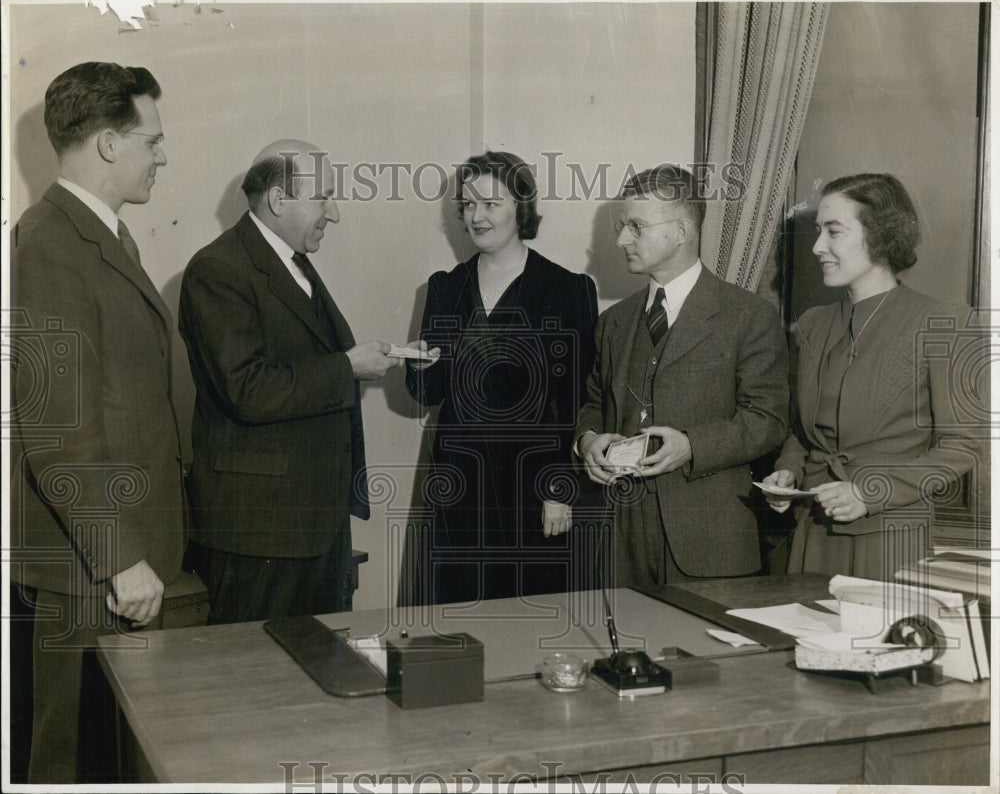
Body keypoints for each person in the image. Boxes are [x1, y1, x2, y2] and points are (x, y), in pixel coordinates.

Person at [9, 61, 184, 783]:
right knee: (77, 764)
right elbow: (58, 428)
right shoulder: (52, 242)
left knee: (113, 758)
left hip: (111, 561)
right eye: (152, 140)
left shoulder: (98, 235)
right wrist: (118, 556)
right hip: (92, 572)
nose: (162, 156)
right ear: (110, 144)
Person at [178, 140, 425, 623]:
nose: (333, 213)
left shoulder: (291, 263)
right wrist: (349, 367)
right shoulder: (217, 269)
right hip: (259, 530)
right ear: (277, 200)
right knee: (256, 677)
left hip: (315, 524)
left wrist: (387, 356)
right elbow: (246, 389)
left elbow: (305, 361)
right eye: (324, 197)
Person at [575, 164, 788, 588]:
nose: (621, 240)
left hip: (712, 542)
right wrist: (588, 442)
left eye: (635, 226)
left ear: (682, 230)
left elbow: (769, 420)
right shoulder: (614, 322)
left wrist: (692, 446)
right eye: (621, 227)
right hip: (620, 542)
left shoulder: (749, 316)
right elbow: (594, 405)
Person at [762, 173, 981, 579]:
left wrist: (868, 492)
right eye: (817, 232)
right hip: (811, 531)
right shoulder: (812, 325)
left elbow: (964, 446)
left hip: (889, 537)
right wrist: (789, 470)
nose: (816, 247)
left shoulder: (942, 322)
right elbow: (799, 429)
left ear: (880, 236)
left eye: (833, 231)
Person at [405, 151, 598, 604]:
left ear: (522, 208)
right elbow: (427, 394)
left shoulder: (568, 289)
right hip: (457, 482)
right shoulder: (444, 287)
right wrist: (417, 366)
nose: (476, 216)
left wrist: (559, 488)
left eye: (491, 204)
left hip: (532, 486)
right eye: (468, 205)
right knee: (455, 615)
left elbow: (577, 402)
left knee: (528, 613)